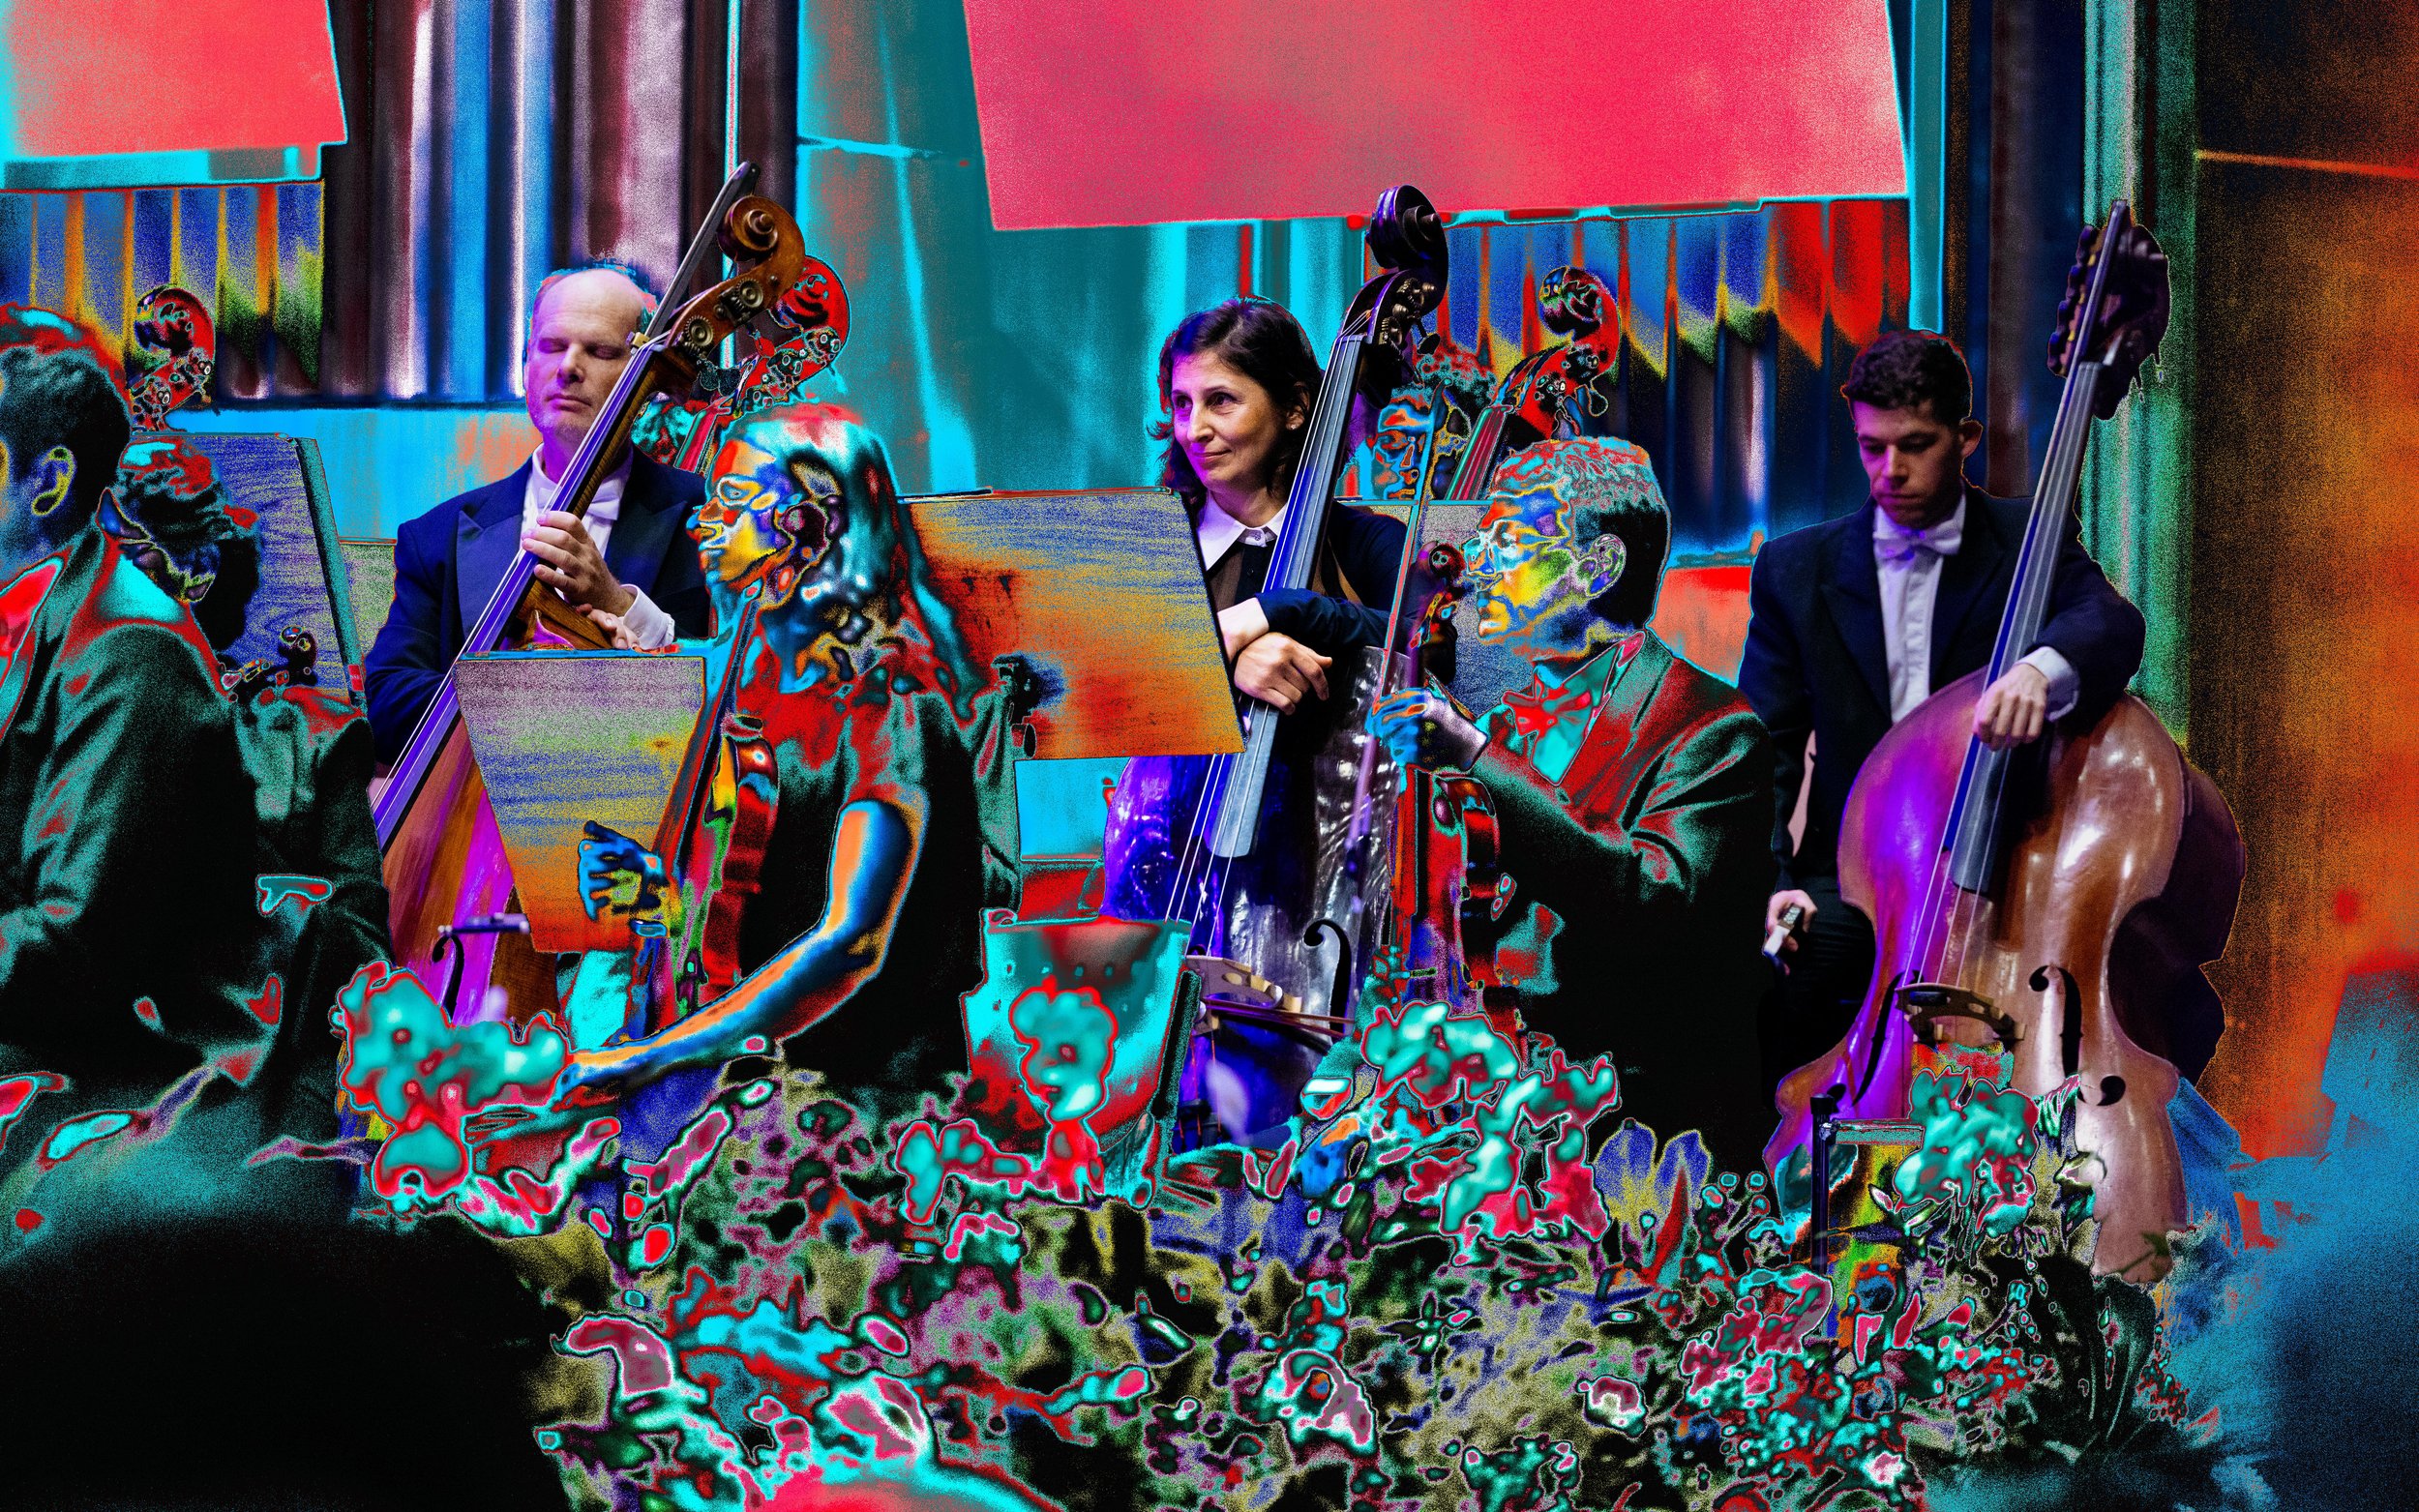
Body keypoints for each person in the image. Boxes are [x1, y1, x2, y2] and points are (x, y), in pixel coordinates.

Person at [548, 401, 1022, 1132]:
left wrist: (652, 1057)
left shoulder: (895, 700)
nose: (704, 522)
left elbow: (851, 943)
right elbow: (744, 908)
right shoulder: (741, 678)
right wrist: (656, 896)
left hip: (869, 1111)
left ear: (806, 528)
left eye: (733, 502)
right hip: (754, 1087)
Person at [1735, 330, 2149, 1093]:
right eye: (1872, 448)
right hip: (1857, 886)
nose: (1889, 471)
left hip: (2000, 870)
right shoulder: (1795, 569)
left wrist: (2040, 668)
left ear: (1965, 438)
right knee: (1759, 987)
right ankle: (1796, 1164)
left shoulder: (2026, 538)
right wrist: (1773, 880)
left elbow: (2112, 623)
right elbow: (1763, 749)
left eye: (1915, 446)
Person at [1368, 437, 1775, 1164]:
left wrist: (1475, 759)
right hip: (1492, 1117)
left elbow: (1650, 896)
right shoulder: (1497, 723)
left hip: (1641, 1135)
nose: (1478, 564)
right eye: (1481, 540)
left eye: (1508, 540)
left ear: (1597, 567)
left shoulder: (1717, 729)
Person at [103, 436, 392, 1124]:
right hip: (86, 1076)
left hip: (262, 1080)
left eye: (122, 552)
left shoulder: (308, 736)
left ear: (197, 569)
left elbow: (363, 956)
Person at [363, 260, 714, 762]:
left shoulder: (711, 519)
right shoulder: (435, 536)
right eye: (550, 346)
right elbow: (389, 702)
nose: (568, 367)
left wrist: (619, 603)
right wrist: (533, 699)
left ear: (646, 377)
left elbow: (734, 698)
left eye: (600, 351)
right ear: (525, 364)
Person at [1155, 297, 1407, 715]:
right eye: (1183, 403)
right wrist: (1224, 665)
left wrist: (1284, 609)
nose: (1193, 430)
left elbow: (1431, 646)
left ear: (1293, 408)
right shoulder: (1156, 551)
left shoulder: (1365, 541)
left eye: (1220, 400)